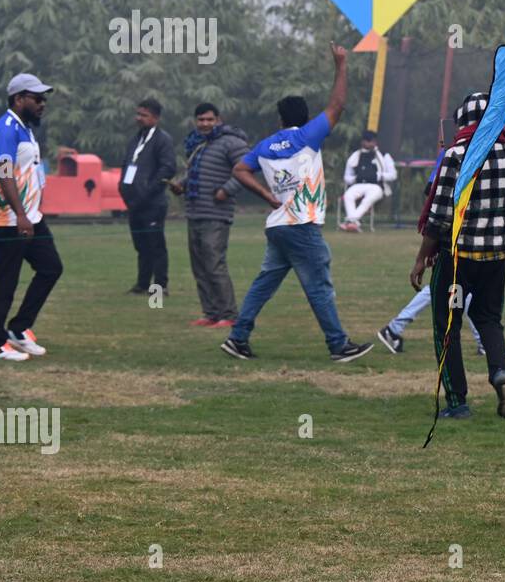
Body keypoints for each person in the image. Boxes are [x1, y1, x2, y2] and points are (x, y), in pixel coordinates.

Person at [220, 43, 373, 363]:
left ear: (280, 119)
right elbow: (338, 105)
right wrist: (341, 65)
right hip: (301, 224)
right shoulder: (307, 136)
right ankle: (338, 345)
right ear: (304, 119)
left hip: (278, 224)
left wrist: (266, 195)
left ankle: (238, 338)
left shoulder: (264, 145)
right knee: (318, 285)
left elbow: (239, 170)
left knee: (264, 284)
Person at [410, 92, 505, 419]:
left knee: (447, 327)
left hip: (457, 259)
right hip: (495, 257)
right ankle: (500, 371)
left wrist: (420, 258)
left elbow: (440, 214)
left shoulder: (456, 154)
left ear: (463, 122)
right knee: (488, 318)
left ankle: (457, 402)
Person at [0, 73, 64, 361]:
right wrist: (20, 215)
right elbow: (4, 174)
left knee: (51, 268)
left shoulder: (25, 128)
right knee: (6, 281)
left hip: (31, 217)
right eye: (37, 98)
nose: (43, 103)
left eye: (44, 99)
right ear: (19, 99)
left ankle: (18, 329)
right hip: (10, 221)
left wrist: (31, 211)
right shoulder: (6, 129)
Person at [168, 103, 250, 327]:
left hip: (216, 212)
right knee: (200, 266)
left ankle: (229, 314)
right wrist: (181, 185)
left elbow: (248, 170)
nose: (204, 124)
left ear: (218, 120)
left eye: (209, 120)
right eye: (201, 120)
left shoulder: (232, 142)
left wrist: (226, 190)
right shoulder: (198, 143)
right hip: (195, 210)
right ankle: (210, 312)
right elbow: (195, 173)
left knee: (214, 264)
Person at [119, 98, 176, 296]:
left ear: (156, 118)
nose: (139, 118)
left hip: (152, 203)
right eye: (138, 114)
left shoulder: (163, 140)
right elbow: (127, 164)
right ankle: (142, 284)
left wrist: (148, 190)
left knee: (156, 245)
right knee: (141, 246)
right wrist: (123, 189)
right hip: (134, 203)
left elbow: (167, 168)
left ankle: (160, 286)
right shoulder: (136, 139)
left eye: (144, 115)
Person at [339, 130, 397, 232]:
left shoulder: (383, 155)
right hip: (359, 184)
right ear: (362, 142)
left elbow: (393, 175)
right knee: (348, 195)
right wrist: (356, 178)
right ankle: (354, 223)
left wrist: (378, 176)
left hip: (376, 186)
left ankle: (350, 221)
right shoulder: (355, 156)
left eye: (371, 141)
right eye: (366, 141)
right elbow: (347, 177)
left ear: (375, 142)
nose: (369, 143)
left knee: (368, 199)